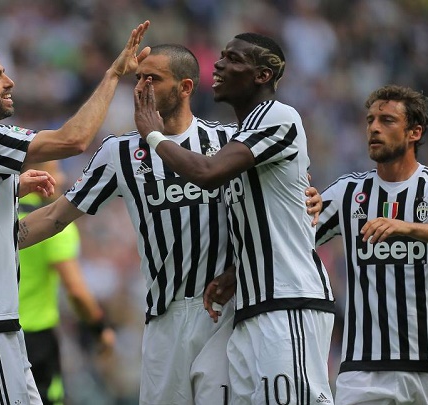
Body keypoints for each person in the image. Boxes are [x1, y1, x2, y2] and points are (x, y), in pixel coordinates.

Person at [18, 44, 322, 405]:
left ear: (185, 87)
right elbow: (55, 216)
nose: (142, 88)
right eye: (139, 78)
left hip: (223, 315)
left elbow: (284, 196)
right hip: (164, 316)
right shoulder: (119, 153)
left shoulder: (226, 141)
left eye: (154, 79)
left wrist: (311, 198)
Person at [0, 21, 149, 404]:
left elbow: (9, 232)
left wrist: (82, 196)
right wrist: (112, 75)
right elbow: (72, 139)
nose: (9, 82)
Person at [134, 33, 336, 404]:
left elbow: (208, 172)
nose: (220, 64)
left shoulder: (279, 115)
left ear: (261, 75)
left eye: (233, 59)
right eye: (222, 56)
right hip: (251, 304)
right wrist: (235, 274)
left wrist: (154, 135)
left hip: (288, 301)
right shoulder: (242, 135)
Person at [315, 84, 428, 404]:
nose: (374, 127)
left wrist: (407, 228)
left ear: (414, 132)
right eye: (370, 119)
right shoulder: (347, 193)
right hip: (363, 367)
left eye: (387, 120)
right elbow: (293, 239)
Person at [18, 160, 115, 405]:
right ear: (38, 177)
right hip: (34, 340)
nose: (61, 179)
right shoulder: (50, 226)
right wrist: (100, 328)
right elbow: (76, 291)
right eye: (56, 171)